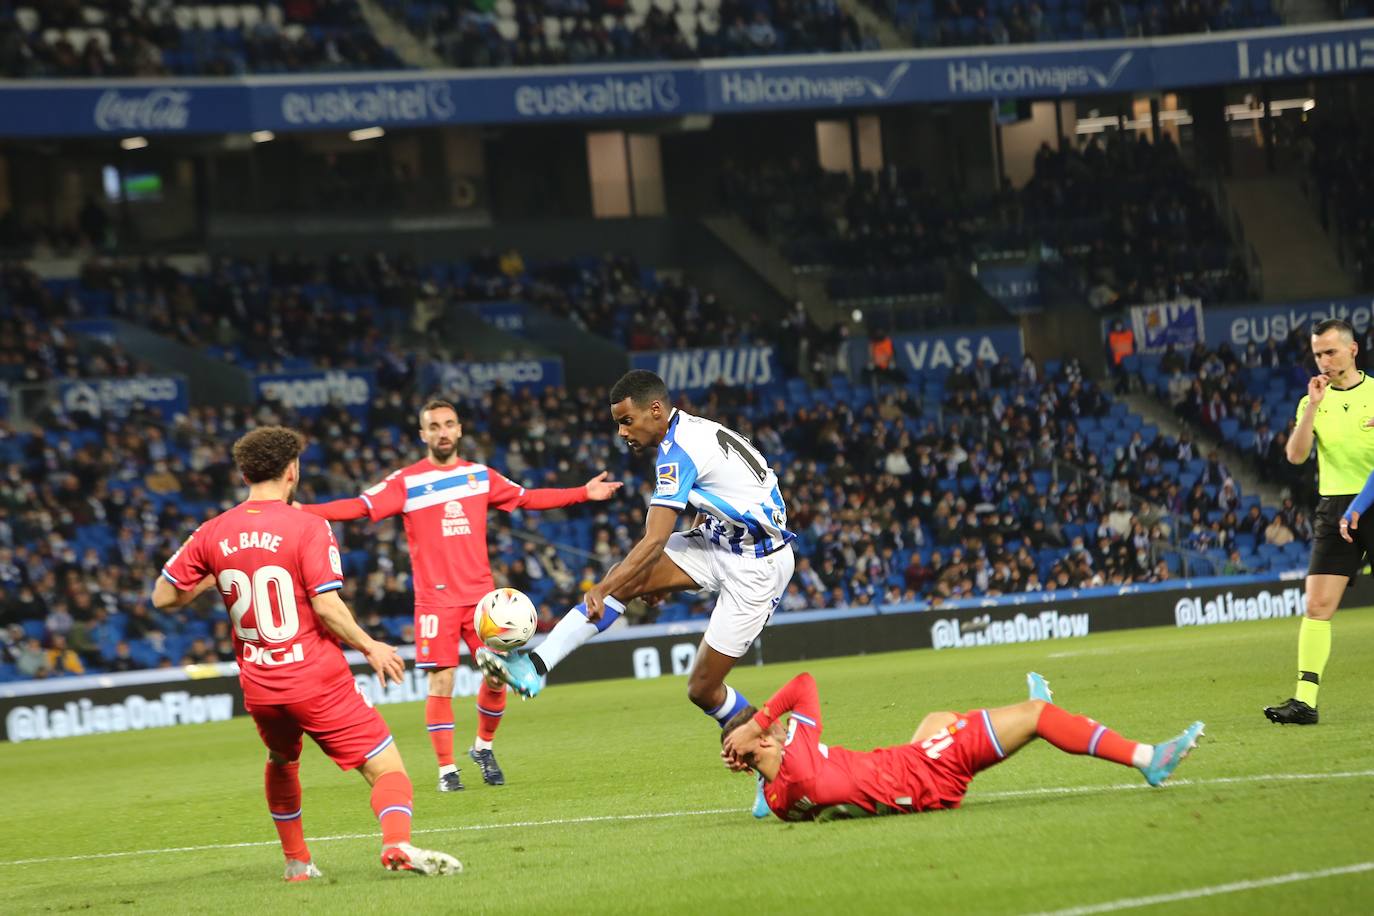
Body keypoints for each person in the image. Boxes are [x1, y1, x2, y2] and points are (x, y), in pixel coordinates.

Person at [479, 369, 796, 816]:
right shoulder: (692, 431)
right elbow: (728, 495)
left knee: (703, 688)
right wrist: (661, 574)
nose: (622, 433)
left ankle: (776, 761)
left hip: (757, 567)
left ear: (655, 410)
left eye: (626, 421)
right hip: (721, 540)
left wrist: (603, 588)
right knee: (629, 577)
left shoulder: (677, 452)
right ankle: (535, 666)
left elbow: (654, 540)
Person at [152, 426, 460, 881]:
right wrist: (371, 645)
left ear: (244, 474)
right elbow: (326, 605)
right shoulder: (309, 525)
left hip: (260, 687)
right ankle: (396, 843)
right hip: (315, 680)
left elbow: (163, 596)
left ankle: (297, 863)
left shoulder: (211, 532)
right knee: (387, 770)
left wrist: (215, 574)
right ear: (292, 471)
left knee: (282, 760)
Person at [298, 399, 621, 791]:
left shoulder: (479, 476)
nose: (443, 432)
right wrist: (303, 510)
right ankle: (446, 770)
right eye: (434, 426)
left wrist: (583, 493)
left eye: (449, 424)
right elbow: (360, 507)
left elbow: (526, 498)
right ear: (423, 434)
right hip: (435, 603)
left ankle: (483, 747)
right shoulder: (407, 482)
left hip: (483, 602)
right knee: (442, 683)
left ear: (460, 429)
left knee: (498, 677)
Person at [720, 671, 1204, 822]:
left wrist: (752, 761)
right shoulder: (800, 758)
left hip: (903, 776)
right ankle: (1148, 759)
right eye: (773, 727)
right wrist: (758, 722)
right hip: (927, 773)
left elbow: (777, 786)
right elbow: (803, 684)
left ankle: (1028, 719)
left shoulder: (780, 799)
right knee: (1038, 716)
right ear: (762, 739)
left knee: (940, 719)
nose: (780, 724)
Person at [1265, 319, 1374, 725]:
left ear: (1353, 349)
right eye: (1317, 354)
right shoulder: (1312, 400)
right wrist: (1311, 406)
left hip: (1372, 498)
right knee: (1317, 605)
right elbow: (1296, 456)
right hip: (1335, 507)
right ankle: (1304, 702)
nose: (1324, 360)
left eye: (1331, 351)